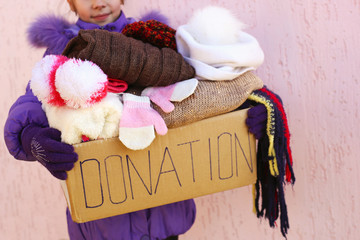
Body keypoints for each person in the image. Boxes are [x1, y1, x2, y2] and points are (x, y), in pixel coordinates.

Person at [4, 1, 266, 239]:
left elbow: (202, 90)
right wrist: (29, 137)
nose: (99, 3)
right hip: (103, 222)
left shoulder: (153, 37)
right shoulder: (65, 51)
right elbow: (36, 100)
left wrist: (243, 109)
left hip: (165, 211)